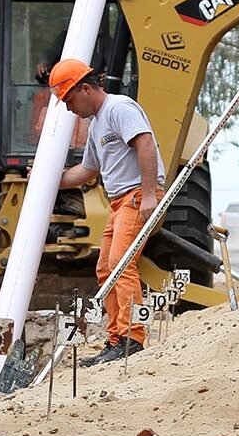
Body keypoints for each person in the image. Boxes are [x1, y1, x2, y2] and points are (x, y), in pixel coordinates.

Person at [50, 57, 164, 365]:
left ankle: (132, 339)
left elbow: (145, 143)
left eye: (69, 100)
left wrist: (151, 193)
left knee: (120, 264)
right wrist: (49, 180)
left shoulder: (118, 108)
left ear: (85, 89)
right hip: (118, 202)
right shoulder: (97, 124)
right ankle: (116, 339)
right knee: (105, 268)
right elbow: (87, 170)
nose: (69, 108)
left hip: (137, 196)